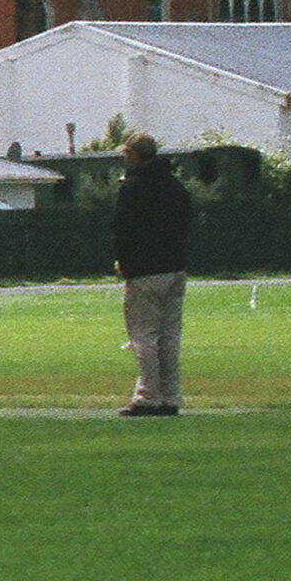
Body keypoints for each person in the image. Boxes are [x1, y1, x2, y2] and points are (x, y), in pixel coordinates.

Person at [111, 132, 193, 417]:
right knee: (170, 336)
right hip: (175, 267)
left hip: (144, 270)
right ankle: (171, 396)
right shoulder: (175, 186)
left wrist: (124, 260)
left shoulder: (132, 188)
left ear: (134, 155)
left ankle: (147, 396)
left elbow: (123, 228)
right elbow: (186, 224)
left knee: (143, 336)